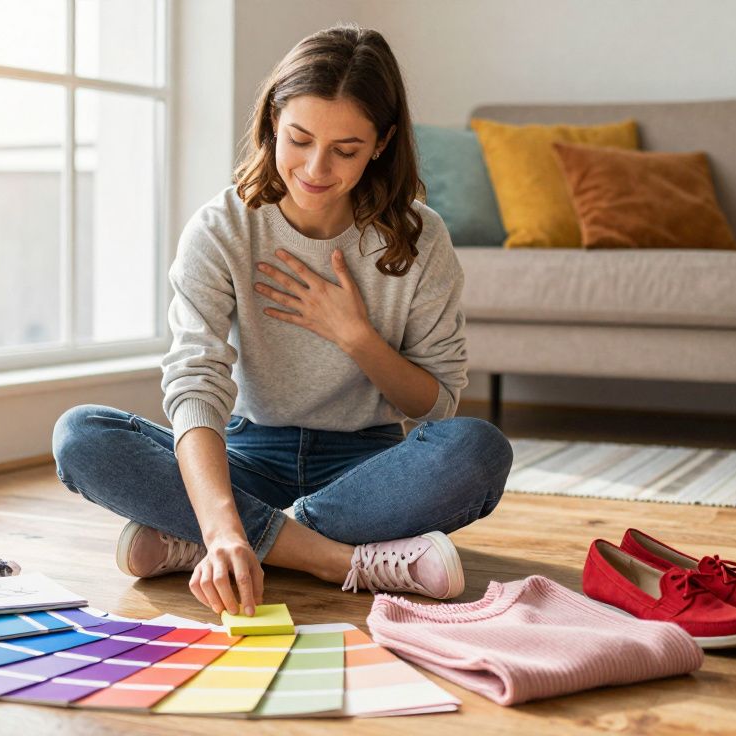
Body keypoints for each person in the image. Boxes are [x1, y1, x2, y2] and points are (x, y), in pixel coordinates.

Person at [52, 24, 512, 618]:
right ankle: (330, 558)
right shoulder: (223, 229)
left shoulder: (421, 239)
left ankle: (217, 539)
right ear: (272, 121)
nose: (316, 168)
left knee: (478, 450)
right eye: (298, 139)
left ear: (381, 143)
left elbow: (436, 405)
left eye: (345, 150)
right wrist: (224, 523)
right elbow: (196, 385)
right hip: (247, 457)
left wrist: (356, 335)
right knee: (80, 434)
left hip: (366, 469)